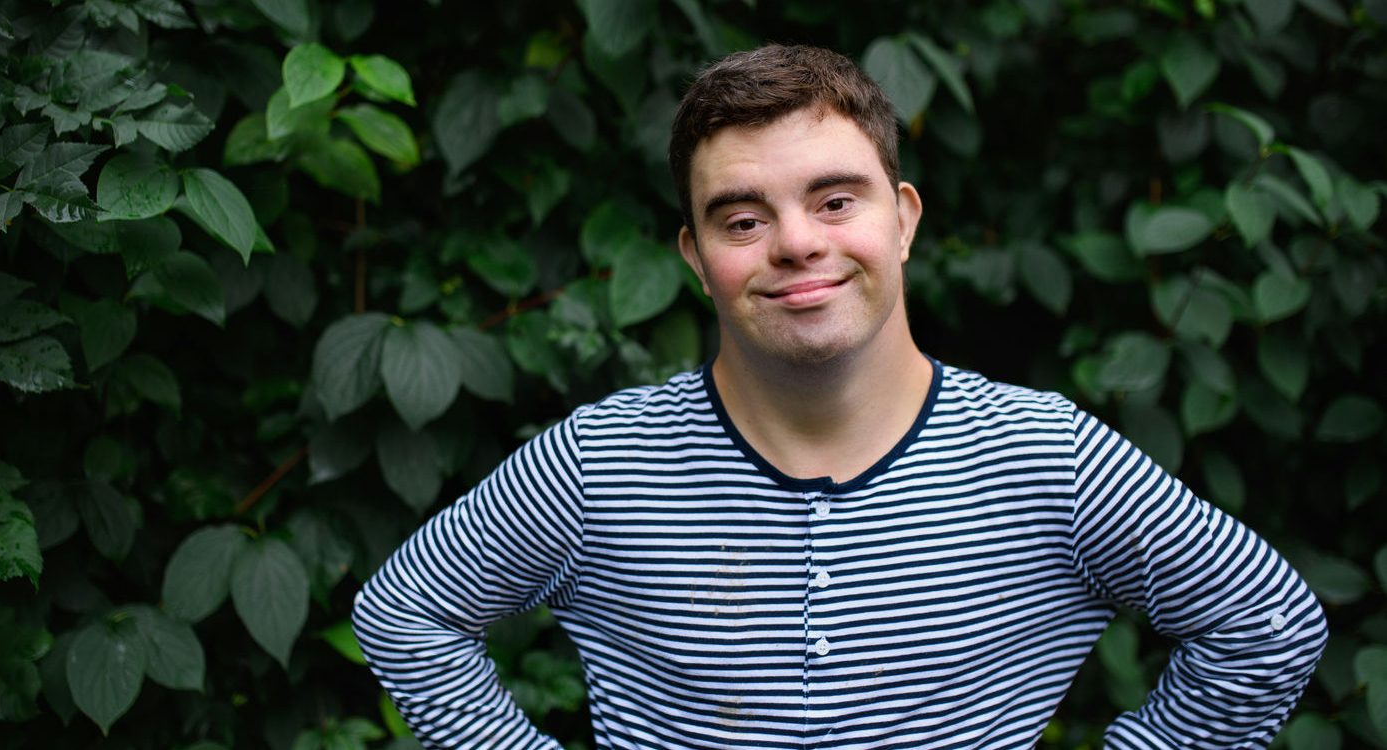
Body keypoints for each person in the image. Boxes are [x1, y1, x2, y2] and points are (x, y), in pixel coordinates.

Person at [352, 44, 1327, 749]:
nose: (796, 243)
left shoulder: (1047, 460)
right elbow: (405, 614)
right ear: (697, 258)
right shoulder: (603, 463)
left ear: (901, 219)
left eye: (834, 200)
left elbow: (1268, 626)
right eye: (743, 217)